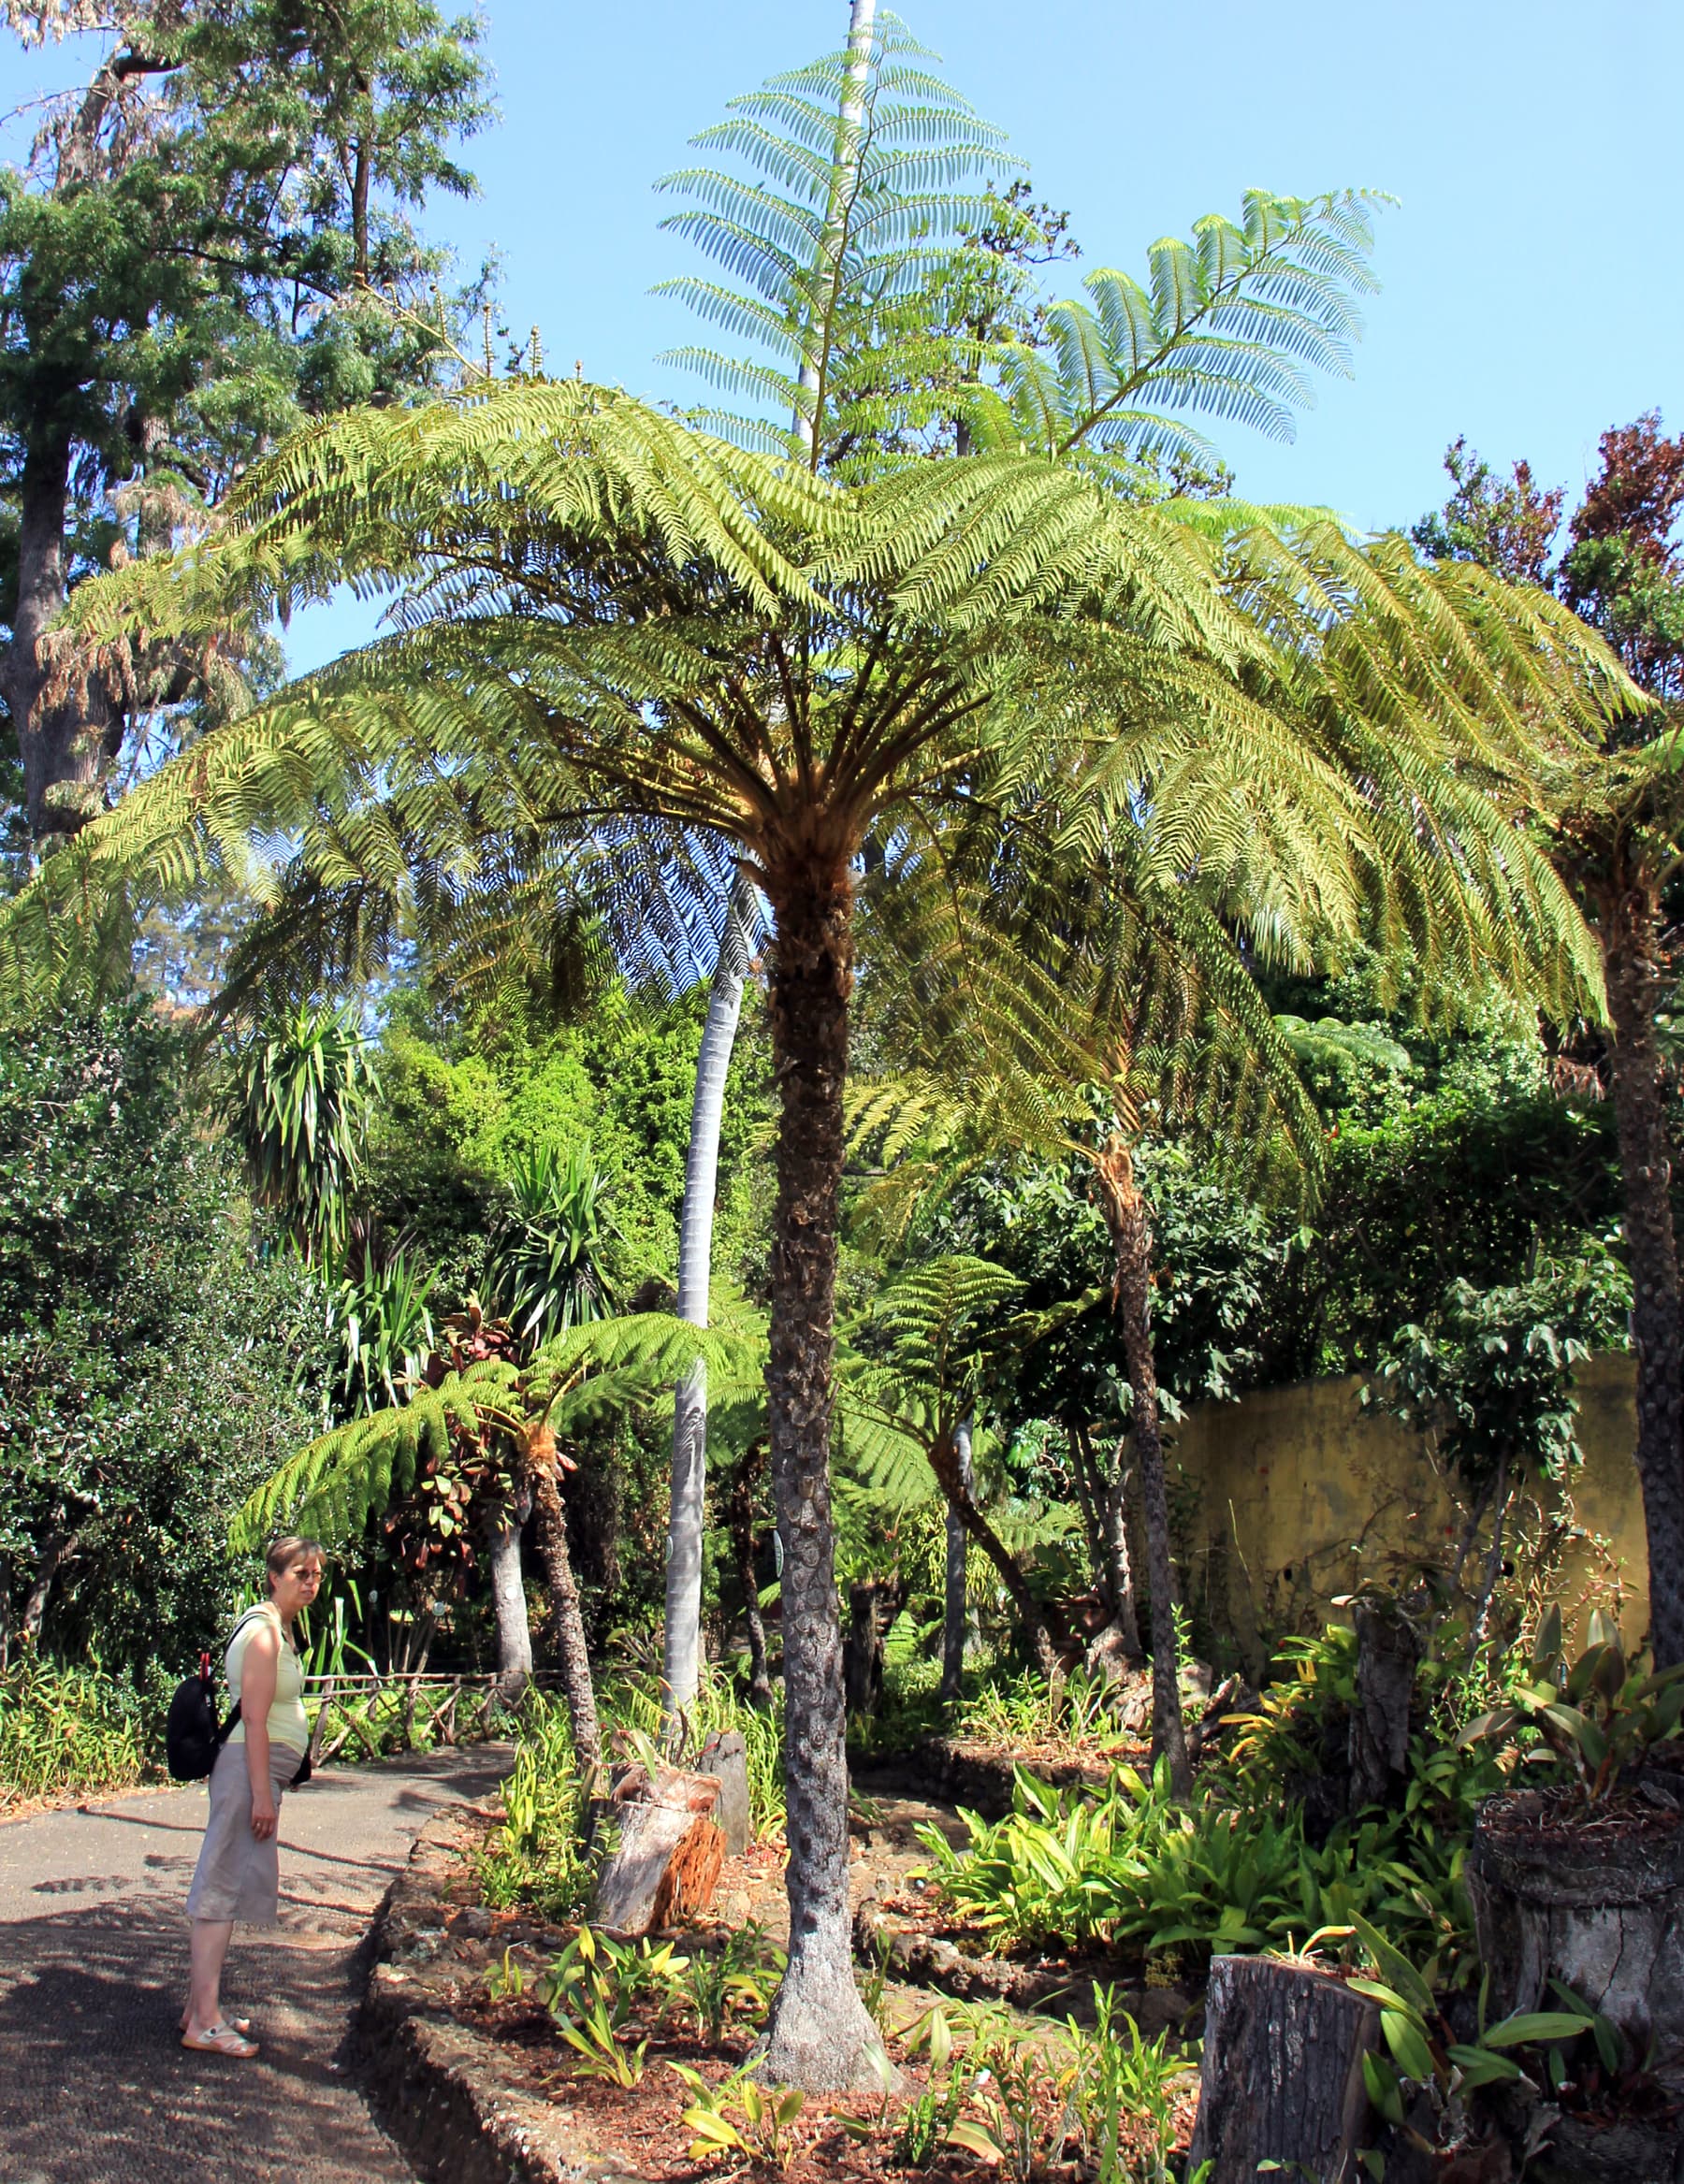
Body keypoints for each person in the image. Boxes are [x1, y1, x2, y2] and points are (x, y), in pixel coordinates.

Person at [181, 1534, 323, 2058]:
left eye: (316, 1575)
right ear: (274, 1576)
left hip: (254, 1774)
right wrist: (262, 1795)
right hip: (246, 1771)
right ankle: (206, 2023)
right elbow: (257, 1721)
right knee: (220, 1886)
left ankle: (200, 2007)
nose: (310, 1583)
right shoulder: (263, 1635)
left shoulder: (281, 1628)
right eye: (300, 1575)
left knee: (231, 1886)